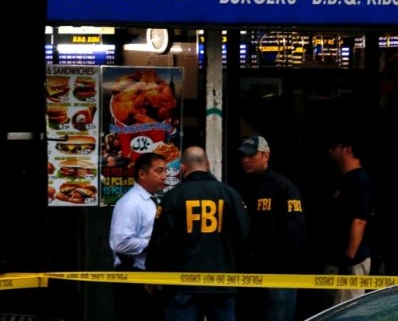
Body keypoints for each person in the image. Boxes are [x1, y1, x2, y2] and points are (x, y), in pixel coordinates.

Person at [146, 145, 250, 321]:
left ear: (182, 168)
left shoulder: (174, 197)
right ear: (207, 164)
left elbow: (161, 240)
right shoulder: (230, 195)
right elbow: (244, 236)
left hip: (183, 284)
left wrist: (153, 273)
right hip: (222, 283)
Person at [235, 134, 307, 321]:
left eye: (252, 155)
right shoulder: (240, 187)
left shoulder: (283, 187)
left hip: (279, 272)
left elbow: (295, 234)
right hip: (248, 273)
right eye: (243, 156)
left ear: (266, 156)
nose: (246, 160)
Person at [109, 152, 166, 321]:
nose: (164, 176)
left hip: (149, 279)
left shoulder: (151, 201)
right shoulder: (131, 203)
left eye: (165, 171)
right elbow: (121, 243)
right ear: (142, 174)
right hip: (133, 279)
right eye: (159, 171)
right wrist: (153, 242)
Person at [325, 138, 373, 305]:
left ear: (347, 150)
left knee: (348, 310)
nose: (330, 151)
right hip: (339, 261)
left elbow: (359, 221)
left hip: (353, 261)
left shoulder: (360, 181)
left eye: (333, 146)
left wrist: (349, 259)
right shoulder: (343, 180)